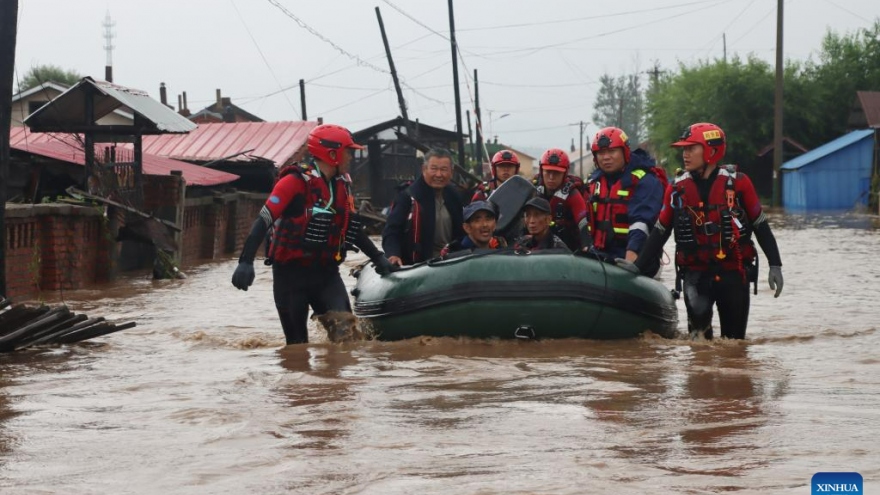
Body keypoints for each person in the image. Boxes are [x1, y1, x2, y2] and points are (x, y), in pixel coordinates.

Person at [231, 124, 396, 345]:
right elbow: (263, 220)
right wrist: (246, 261)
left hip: (326, 274)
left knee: (347, 336)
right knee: (297, 347)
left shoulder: (342, 185)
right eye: (348, 151)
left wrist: (378, 257)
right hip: (290, 278)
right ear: (332, 153)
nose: (350, 157)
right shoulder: (293, 182)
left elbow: (349, 227)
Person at [633, 122, 784, 340]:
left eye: (691, 148)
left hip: (734, 274)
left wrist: (775, 264)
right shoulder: (676, 188)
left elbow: (761, 226)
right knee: (699, 344)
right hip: (695, 275)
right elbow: (660, 231)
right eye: (684, 149)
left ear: (712, 151)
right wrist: (636, 267)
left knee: (734, 346)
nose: (685, 154)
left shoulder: (739, 184)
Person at [584, 126, 665, 276]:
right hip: (601, 255)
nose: (606, 157)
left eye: (612, 151)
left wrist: (631, 257)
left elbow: (642, 222)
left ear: (625, 152)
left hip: (637, 257)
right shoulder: (594, 182)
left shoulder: (646, 181)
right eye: (601, 153)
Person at [382, 148, 465, 265]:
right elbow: (391, 231)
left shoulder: (454, 196)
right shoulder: (408, 197)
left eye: (444, 169)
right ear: (424, 169)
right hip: (419, 264)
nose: (439, 174)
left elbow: (464, 231)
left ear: (452, 172)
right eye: (434, 169)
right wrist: (393, 254)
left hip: (451, 261)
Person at [533, 148, 592, 251]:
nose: (551, 177)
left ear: (565, 174)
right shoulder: (533, 189)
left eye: (556, 173)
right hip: (537, 246)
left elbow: (583, 223)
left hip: (567, 250)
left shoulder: (572, 193)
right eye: (548, 172)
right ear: (541, 171)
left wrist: (586, 247)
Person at [440, 201, 507, 257]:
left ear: (495, 225)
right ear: (467, 228)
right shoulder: (455, 253)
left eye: (488, 219)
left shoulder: (500, 247)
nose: (484, 224)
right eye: (477, 220)